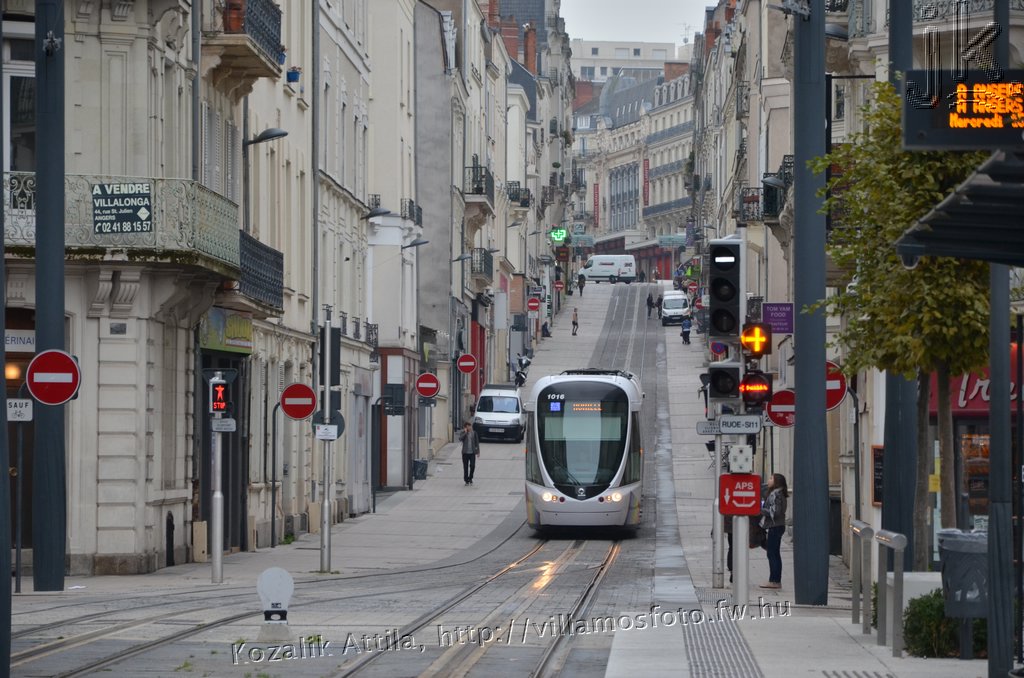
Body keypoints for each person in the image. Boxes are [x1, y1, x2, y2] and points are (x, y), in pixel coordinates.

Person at [759, 473, 789, 589]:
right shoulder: (779, 493)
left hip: (775, 526)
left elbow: (775, 512)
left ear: (777, 481)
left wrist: (761, 510)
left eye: (771, 478)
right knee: (774, 553)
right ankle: (775, 580)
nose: (769, 480)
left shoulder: (776, 494)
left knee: (772, 554)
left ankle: (774, 581)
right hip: (778, 526)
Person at [458, 421, 480, 485]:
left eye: (470, 426)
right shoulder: (463, 432)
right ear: (465, 427)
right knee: (465, 467)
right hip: (465, 453)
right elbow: (460, 439)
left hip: (472, 453)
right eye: (468, 427)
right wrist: (465, 433)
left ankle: (470, 478)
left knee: (472, 466)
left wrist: (478, 452)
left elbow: (477, 443)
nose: (469, 427)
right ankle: (466, 480)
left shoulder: (474, 433)